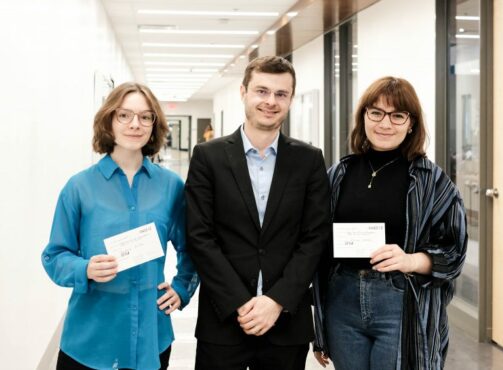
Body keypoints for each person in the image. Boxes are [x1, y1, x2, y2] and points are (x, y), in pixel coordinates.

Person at [185, 55, 331, 370]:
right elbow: (199, 236)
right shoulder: (208, 157)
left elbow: (315, 237)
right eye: (262, 91)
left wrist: (276, 301)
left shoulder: (309, 160)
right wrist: (241, 302)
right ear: (244, 92)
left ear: (291, 98)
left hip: (286, 321)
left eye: (281, 94)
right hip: (223, 318)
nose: (271, 101)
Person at [312, 76, 468, 370]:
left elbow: (455, 253)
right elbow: (316, 242)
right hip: (342, 300)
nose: (385, 124)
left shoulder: (431, 181)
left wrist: (411, 261)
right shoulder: (339, 174)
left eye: (397, 115)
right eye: (377, 113)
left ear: (411, 124)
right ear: (364, 117)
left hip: (400, 301)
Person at [42, 82, 199, 370]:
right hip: (90, 341)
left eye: (145, 116)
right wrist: (85, 268)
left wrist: (181, 288)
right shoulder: (79, 188)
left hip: (151, 336)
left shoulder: (170, 187)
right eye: (124, 115)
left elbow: (192, 248)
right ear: (109, 121)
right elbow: (54, 256)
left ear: (154, 124)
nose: (135, 124)